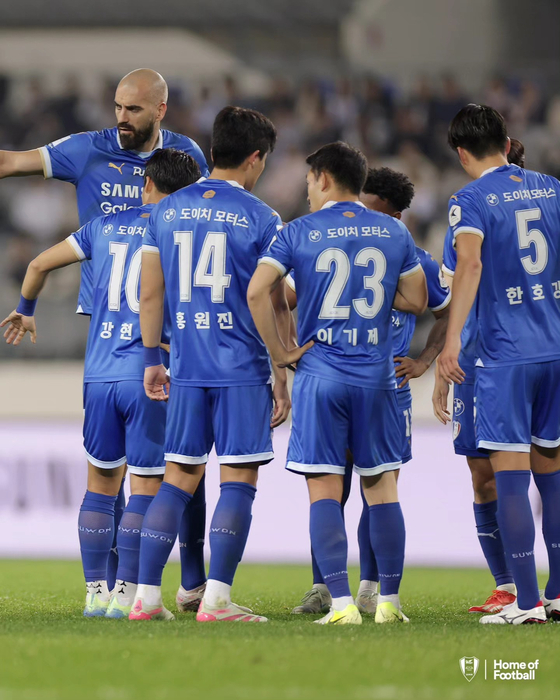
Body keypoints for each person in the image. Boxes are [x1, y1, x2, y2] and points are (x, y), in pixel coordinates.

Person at [0, 68, 210, 598]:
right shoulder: (86, 149)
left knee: (154, 463)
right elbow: (11, 162)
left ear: (160, 110)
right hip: (125, 331)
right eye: (117, 107)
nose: (121, 118)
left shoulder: (185, 158)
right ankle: (131, 585)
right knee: (150, 469)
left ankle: (171, 580)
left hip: (148, 338)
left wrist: (26, 302)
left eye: (133, 109)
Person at [248, 142, 428, 625]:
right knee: (382, 490)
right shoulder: (393, 230)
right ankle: (388, 603)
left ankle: (342, 604)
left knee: (325, 492)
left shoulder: (299, 231)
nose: (306, 189)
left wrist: (282, 353)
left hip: (320, 377)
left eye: (309, 180)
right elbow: (417, 299)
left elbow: (256, 290)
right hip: (377, 377)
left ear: (324, 178)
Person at [130, 106, 292, 623]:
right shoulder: (263, 218)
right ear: (255, 157)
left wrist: (154, 359)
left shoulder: (166, 211)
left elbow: (149, 295)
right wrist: (281, 368)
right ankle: (217, 600)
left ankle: (146, 599)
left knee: (176, 479)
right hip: (241, 367)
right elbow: (267, 296)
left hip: (188, 366)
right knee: (238, 480)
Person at [289, 167, 451, 617]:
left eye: (374, 210)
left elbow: (445, 314)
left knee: (375, 488)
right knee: (333, 487)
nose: (361, 218)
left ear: (396, 215)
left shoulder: (416, 258)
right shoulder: (337, 242)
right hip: (348, 378)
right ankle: (324, 587)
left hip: (385, 386)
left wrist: (422, 361)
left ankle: (369, 588)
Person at [439, 104, 560, 625]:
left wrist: (448, 345)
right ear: (508, 144)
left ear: (463, 153)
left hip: (504, 357)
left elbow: (468, 264)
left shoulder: (469, 199)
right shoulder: (553, 189)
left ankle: (527, 604)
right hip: (554, 349)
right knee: (552, 476)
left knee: (510, 479)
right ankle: (558, 593)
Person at [433, 138, 526, 615]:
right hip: (474, 359)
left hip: (517, 358)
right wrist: (442, 360)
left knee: (537, 475)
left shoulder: (475, 207)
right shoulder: (470, 220)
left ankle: (532, 592)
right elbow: (451, 294)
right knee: (482, 474)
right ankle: (507, 585)